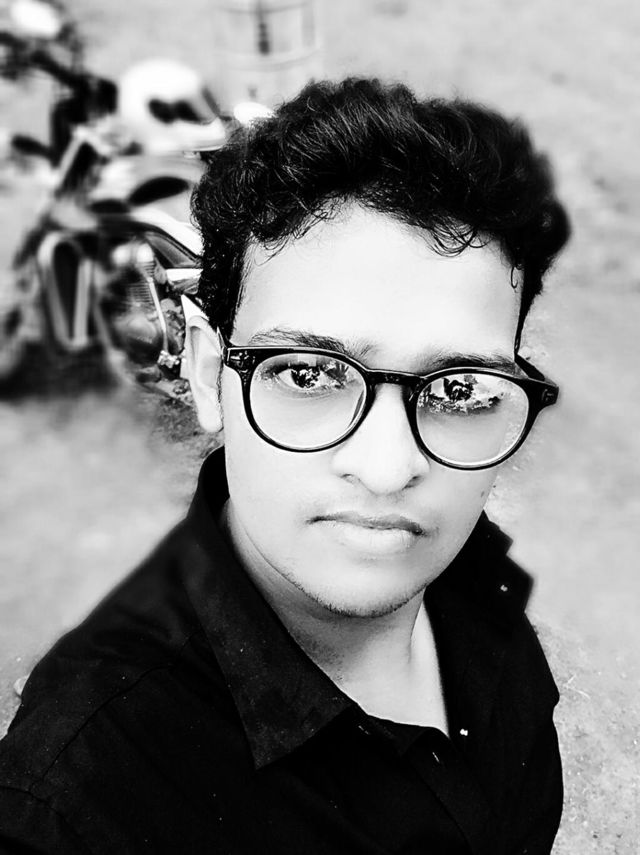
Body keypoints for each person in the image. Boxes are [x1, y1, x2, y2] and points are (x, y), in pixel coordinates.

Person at [0, 77, 570, 853]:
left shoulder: (480, 586)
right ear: (209, 376)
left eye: (458, 389)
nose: (387, 469)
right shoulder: (76, 800)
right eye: (309, 373)